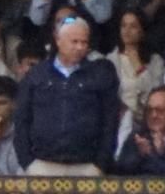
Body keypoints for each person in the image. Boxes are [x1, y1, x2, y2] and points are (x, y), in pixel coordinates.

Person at [14, 15, 120, 178]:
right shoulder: (37, 74)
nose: (80, 47)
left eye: (84, 42)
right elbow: (22, 119)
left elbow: (110, 121)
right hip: (42, 165)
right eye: (74, 41)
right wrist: (27, 162)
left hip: (86, 167)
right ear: (58, 40)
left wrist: (100, 164)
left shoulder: (99, 76)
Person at [116, 84, 165, 175]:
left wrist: (159, 153)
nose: (153, 115)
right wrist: (140, 155)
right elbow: (121, 171)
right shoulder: (138, 137)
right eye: (149, 110)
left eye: (159, 110)